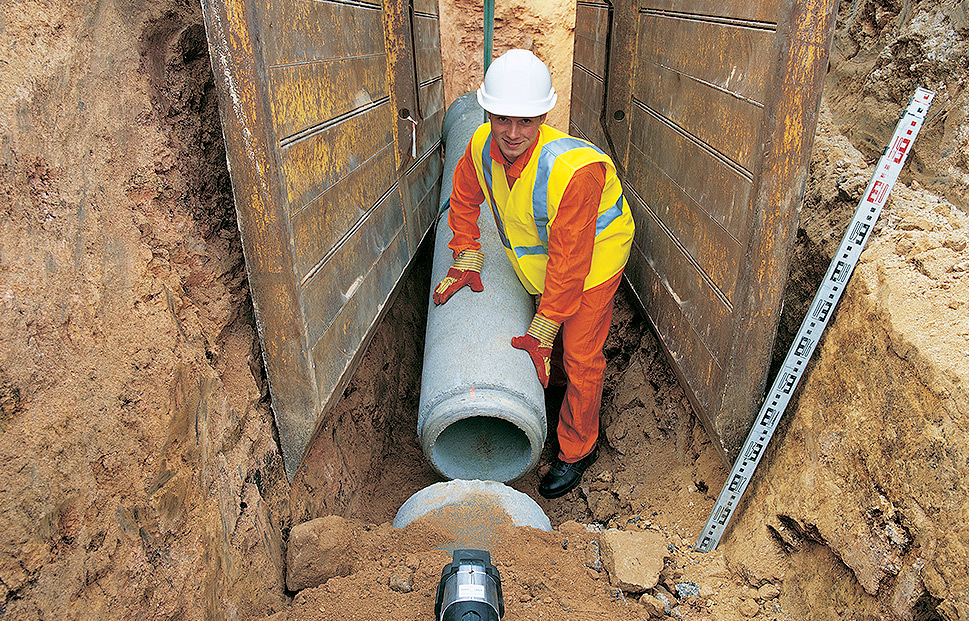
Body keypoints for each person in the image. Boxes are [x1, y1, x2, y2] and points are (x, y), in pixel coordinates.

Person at [433, 49, 635, 499]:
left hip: (594, 262)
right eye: (502, 118)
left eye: (525, 121)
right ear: (487, 112)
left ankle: (577, 449)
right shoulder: (480, 146)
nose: (511, 133)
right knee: (557, 339)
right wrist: (466, 253)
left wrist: (543, 329)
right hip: (551, 260)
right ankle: (554, 388)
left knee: (581, 355)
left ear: (544, 115)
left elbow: (571, 263)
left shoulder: (572, 173)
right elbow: (463, 197)